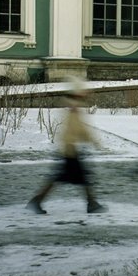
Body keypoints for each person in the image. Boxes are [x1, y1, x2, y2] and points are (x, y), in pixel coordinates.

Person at [28, 85, 104, 214]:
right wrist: (92, 141)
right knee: (78, 177)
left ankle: (37, 200)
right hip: (70, 151)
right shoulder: (73, 112)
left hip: (69, 150)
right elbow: (78, 130)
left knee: (70, 176)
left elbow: (79, 129)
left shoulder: (73, 111)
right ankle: (91, 203)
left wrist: (90, 139)